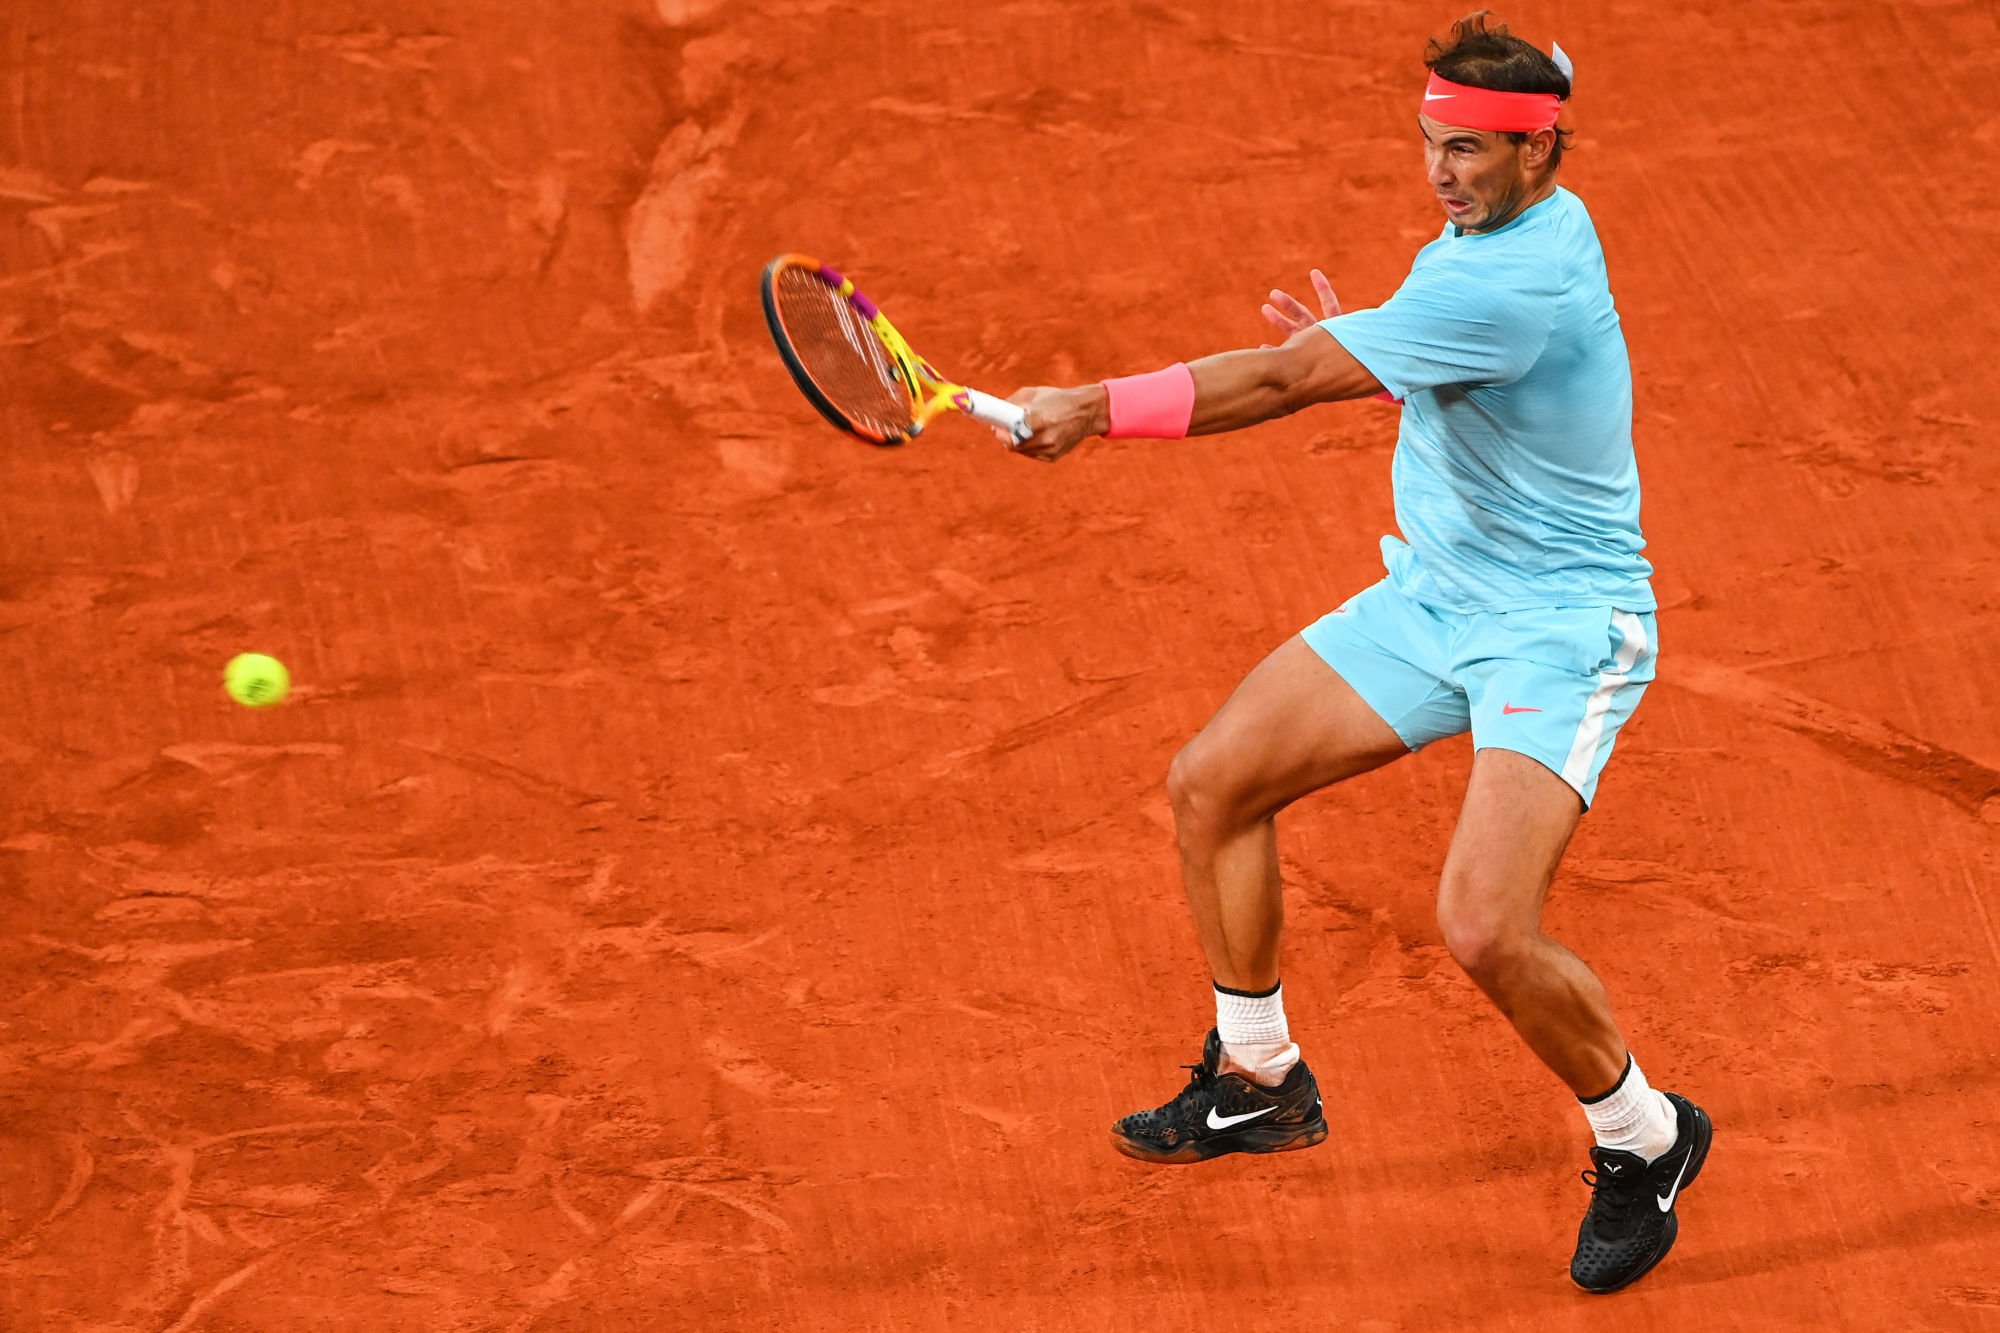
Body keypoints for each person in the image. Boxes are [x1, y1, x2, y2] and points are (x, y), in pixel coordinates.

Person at [999, 12, 1712, 1295]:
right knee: (1213, 781)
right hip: (1436, 597)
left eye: (1471, 155)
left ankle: (1642, 1138)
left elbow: (1277, 385)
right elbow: (1436, 358)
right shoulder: (1500, 234)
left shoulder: (1508, 275)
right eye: (1432, 145)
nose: (1442, 173)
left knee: (1484, 927)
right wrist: (1387, 354)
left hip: (1554, 628)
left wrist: (1091, 408)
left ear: (1539, 150)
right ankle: (1259, 1077)